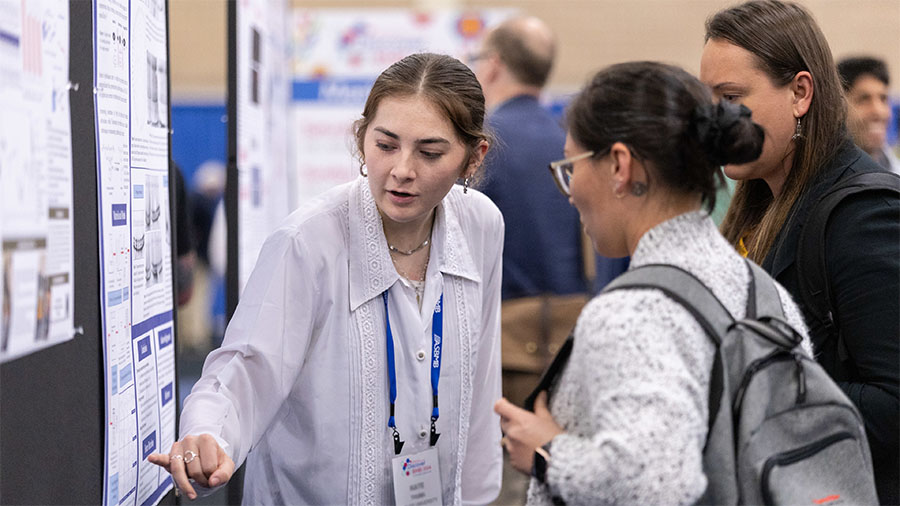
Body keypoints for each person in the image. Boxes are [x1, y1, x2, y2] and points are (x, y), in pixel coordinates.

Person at [149, 52, 504, 505]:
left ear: (473, 158)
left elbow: (480, 377)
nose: (402, 170)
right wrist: (207, 433)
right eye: (386, 144)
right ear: (361, 140)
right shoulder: (309, 241)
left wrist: (474, 496)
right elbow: (246, 364)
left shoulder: (481, 226)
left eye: (430, 152)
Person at [493, 61, 812, 505]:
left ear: (620, 166)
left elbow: (657, 483)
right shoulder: (765, 292)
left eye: (572, 166)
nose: (571, 191)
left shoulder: (631, 313)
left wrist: (548, 453)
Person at [700, 1, 899, 503]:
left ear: (800, 93)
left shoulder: (864, 212)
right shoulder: (764, 203)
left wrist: (745, 386)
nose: (714, 120)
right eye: (708, 101)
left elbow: (893, 404)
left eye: (730, 97)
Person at [471, 15, 625, 407]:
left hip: (497, 352)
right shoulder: (571, 142)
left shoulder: (478, 147)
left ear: (493, 64)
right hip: (570, 348)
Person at [837, 56, 900, 173]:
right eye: (864, 99)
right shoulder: (820, 179)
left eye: (883, 99)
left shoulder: (895, 173)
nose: (878, 111)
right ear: (838, 107)